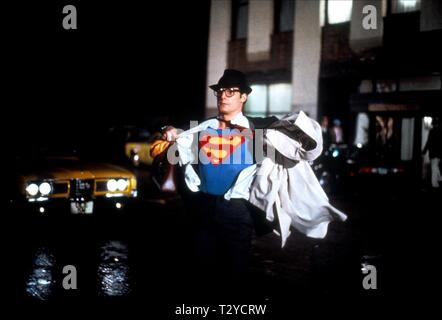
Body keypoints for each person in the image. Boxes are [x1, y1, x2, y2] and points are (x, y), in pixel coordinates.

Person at [152, 69, 346, 288]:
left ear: (243, 97)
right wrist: (167, 129)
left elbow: (305, 144)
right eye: (221, 91)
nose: (224, 95)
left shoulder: (258, 129)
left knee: (234, 277)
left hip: (237, 213)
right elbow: (174, 135)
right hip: (202, 211)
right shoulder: (204, 127)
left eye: (231, 91)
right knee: (200, 276)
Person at [422, 117, 442, 188]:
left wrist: (424, 151)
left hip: (433, 152)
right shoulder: (440, 131)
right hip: (438, 153)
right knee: (435, 166)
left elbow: (428, 142)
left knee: (434, 167)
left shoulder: (432, 131)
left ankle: (435, 184)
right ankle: (439, 178)